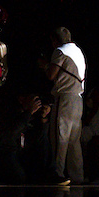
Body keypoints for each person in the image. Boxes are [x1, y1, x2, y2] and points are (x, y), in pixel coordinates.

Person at [41, 27, 86, 185]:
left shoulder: (60, 51)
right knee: (74, 140)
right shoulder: (78, 51)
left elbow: (51, 75)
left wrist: (45, 66)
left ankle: (57, 172)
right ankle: (77, 175)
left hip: (65, 97)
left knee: (59, 137)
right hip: (78, 99)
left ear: (55, 40)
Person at [0, 88, 43, 183]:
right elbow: (11, 132)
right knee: (18, 177)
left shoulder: (24, 111)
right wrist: (28, 112)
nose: (35, 103)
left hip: (13, 150)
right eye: (32, 99)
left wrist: (43, 118)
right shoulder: (5, 110)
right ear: (21, 99)